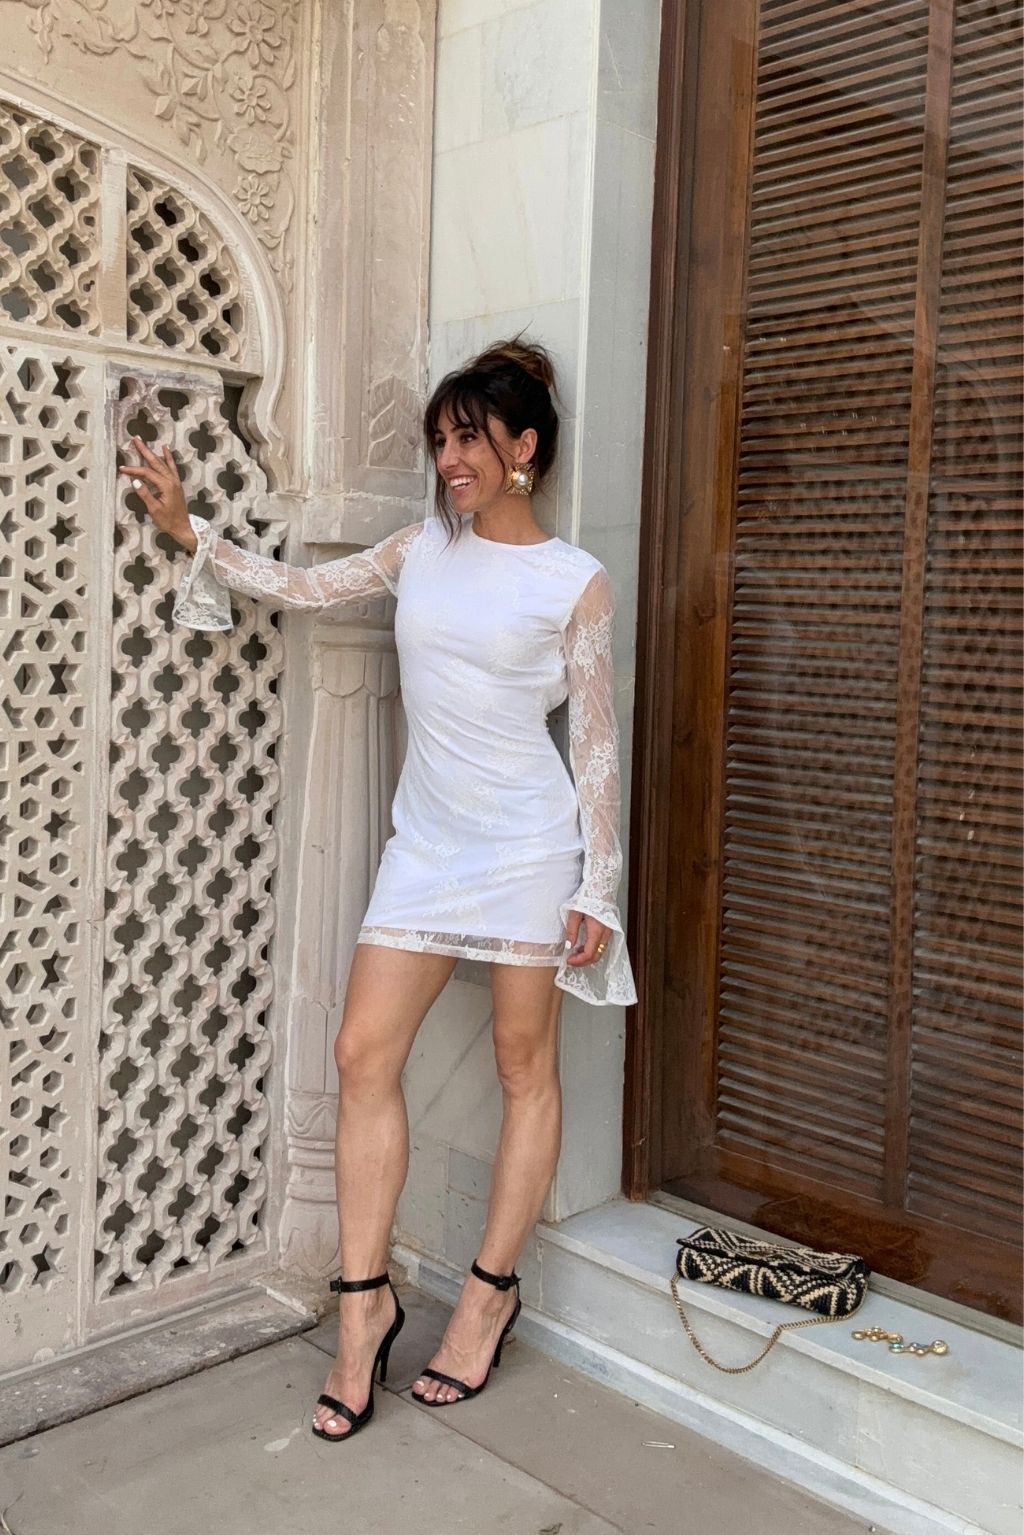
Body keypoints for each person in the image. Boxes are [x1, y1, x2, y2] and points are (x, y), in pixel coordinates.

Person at [118, 339, 637, 1444]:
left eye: (470, 440)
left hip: (528, 848)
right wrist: (191, 531)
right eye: (441, 441)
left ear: (525, 448)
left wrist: (599, 883)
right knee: (362, 1052)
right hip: (427, 846)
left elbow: (594, 743)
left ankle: (488, 1296)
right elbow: (307, 587)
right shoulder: (420, 549)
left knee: (523, 1066)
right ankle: (365, 1307)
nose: (450, 460)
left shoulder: (574, 580)